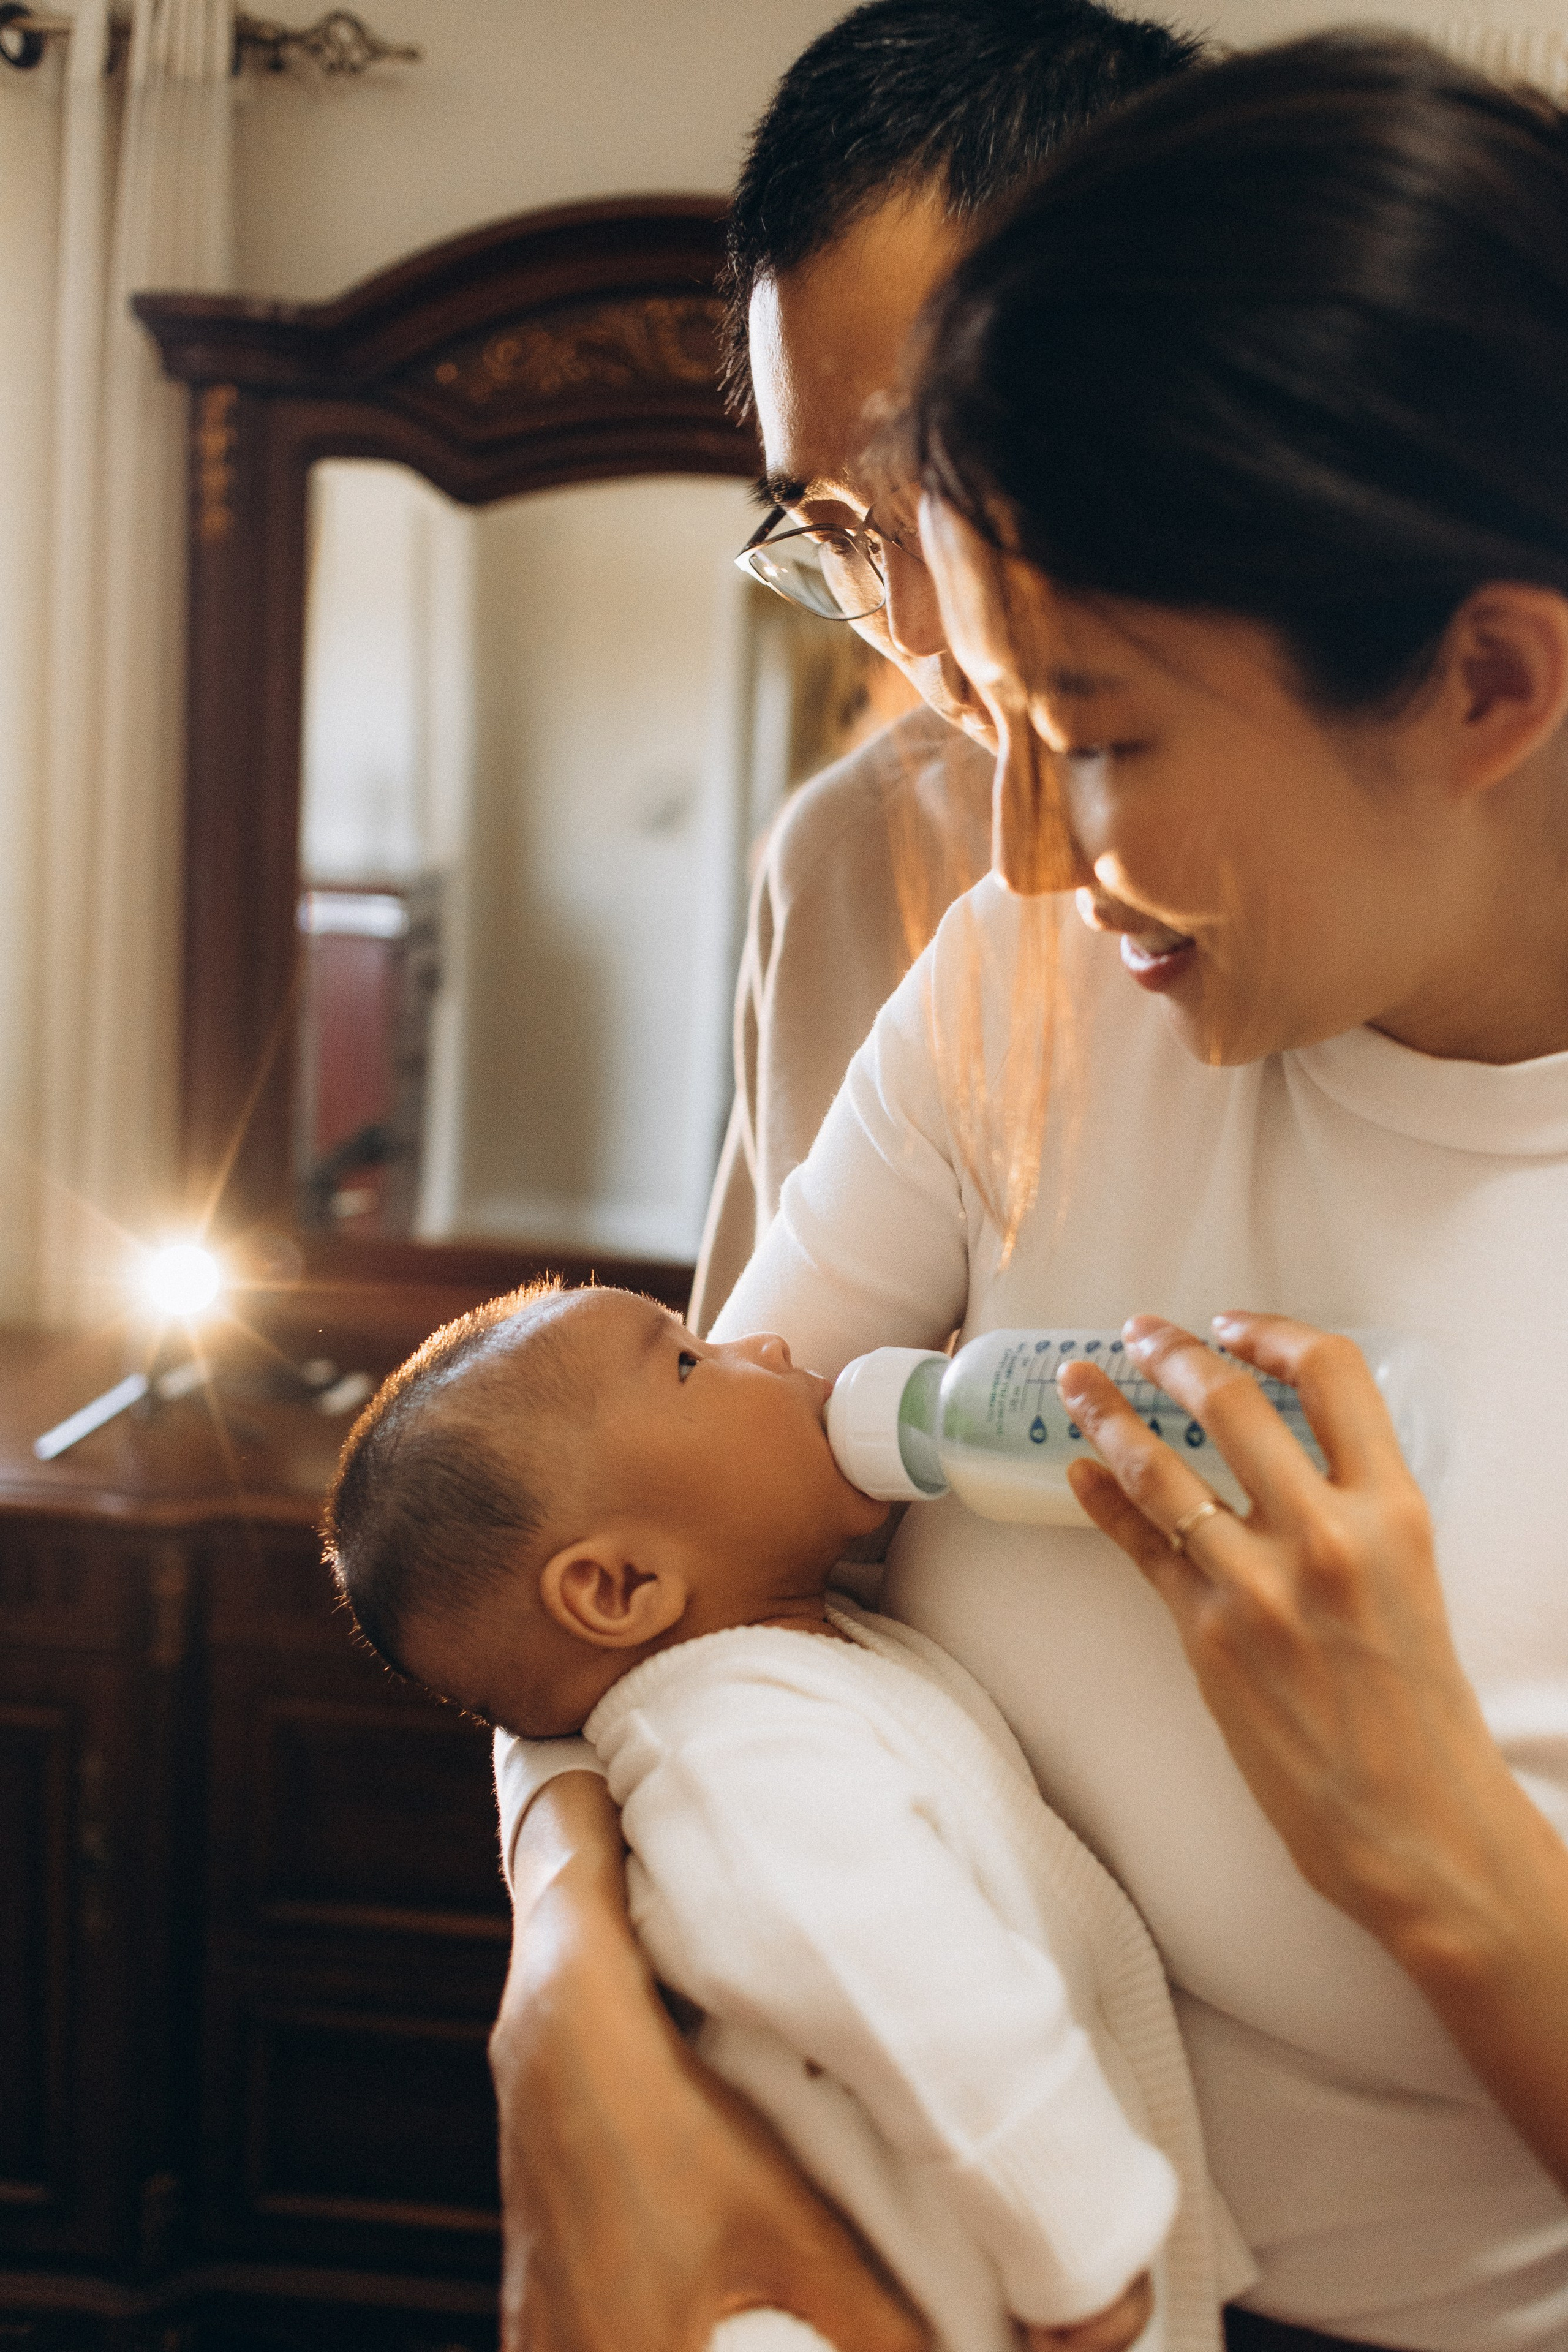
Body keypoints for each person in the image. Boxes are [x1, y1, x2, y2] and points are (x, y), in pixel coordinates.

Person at [489, 27, 1568, 2352]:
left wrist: (1439, 1857)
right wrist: (573, 2017)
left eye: (1102, 734)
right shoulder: (1015, 988)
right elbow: (629, 1536)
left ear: (1487, 680)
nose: (1010, 851)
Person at [328, 1281, 1258, 2352]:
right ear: (623, 1586)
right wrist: (1082, 2241)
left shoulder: (797, 1665)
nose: (764, 1341)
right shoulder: (729, 1754)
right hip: (955, 2297)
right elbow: (911, 1992)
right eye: (687, 1363)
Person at [687, 0, 1202, 1331]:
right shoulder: (847, 860)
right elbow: (729, 1461)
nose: (919, 633)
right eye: (844, 535)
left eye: (946, 496)